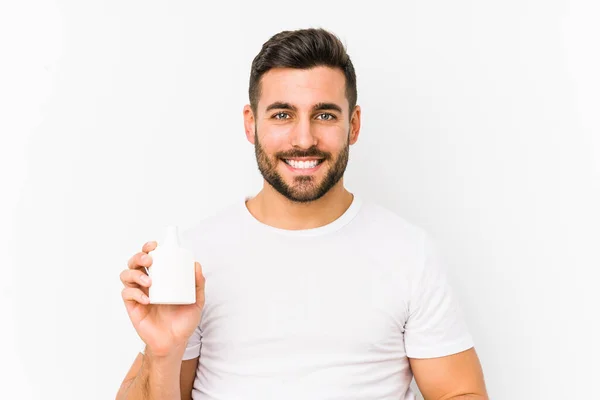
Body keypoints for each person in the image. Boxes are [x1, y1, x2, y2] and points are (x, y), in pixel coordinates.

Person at [116, 28, 488, 400]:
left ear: (353, 125)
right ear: (251, 123)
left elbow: (459, 392)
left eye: (324, 115)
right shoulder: (195, 261)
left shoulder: (409, 253)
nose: (304, 139)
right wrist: (162, 355)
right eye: (282, 115)